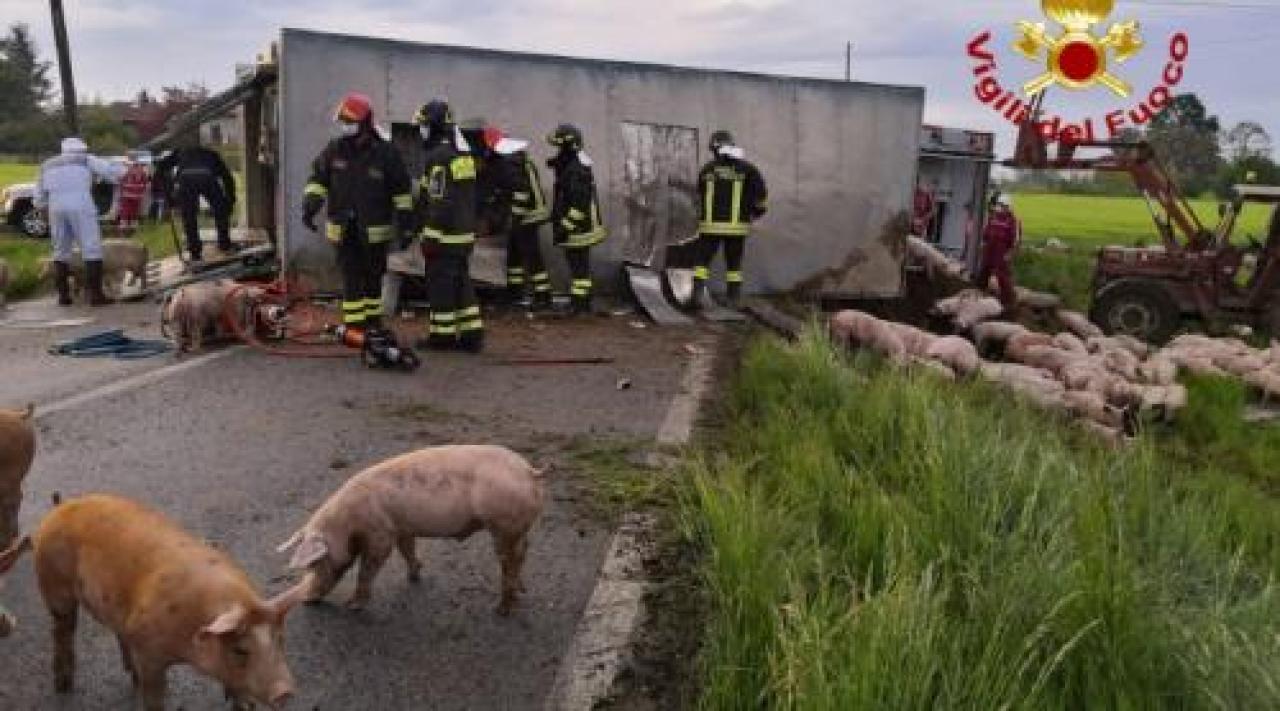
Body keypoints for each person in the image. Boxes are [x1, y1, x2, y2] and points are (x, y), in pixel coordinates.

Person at [303, 92, 415, 336]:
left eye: (350, 121)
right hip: (343, 229)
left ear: (365, 122)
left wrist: (407, 225)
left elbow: (402, 192)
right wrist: (310, 205)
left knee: (373, 277)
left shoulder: (386, 154)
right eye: (343, 121)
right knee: (351, 276)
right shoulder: (335, 149)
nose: (345, 126)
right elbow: (318, 179)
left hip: (374, 230)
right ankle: (355, 326)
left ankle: (372, 322)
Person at [415, 98, 485, 352]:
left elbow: (440, 200)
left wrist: (430, 235)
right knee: (461, 284)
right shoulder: (461, 153)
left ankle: (442, 338)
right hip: (463, 236)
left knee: (440, 287)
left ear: (433, 125)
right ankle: (471, 334)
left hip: (444, 237)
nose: (421, 130)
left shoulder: (440, 156)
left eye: (423, 124)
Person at [34, 137, 124, 306]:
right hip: (81, 204)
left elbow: (38, 194)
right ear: (82, 149)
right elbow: (115, 174)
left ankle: (63, 296)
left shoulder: (47, 164)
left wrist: (43, 209)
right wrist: (124, 167)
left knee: (60, 250)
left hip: (56, 207)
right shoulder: (86, 159)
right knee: (91, 248)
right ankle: (96, 296)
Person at [693, 130, 767, 307]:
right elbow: (760, 196)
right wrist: (756, 214)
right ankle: (733, 298)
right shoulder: (748, 170)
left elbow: (698, 195)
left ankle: (696, 295)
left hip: (709, 227)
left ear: (715, 148)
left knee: (702, 262)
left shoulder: (707, 169)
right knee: (734, 264)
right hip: (736, 229)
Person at [547, 123, 607, 314]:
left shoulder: (576, 171)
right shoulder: (574, 165)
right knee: (580, 267)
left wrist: (565, 226)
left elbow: (578, 204)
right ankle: (583, 301)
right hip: (579, 226)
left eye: (559, 147)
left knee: (578, 268)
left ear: (568, 146)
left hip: (579, 228)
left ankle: (579, 304)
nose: (558, 151)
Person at [156, 138, 237, 267]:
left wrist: (167, 192)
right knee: (220, 210)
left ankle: (195, 254)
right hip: (207, 177)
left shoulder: (181, 152)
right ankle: (225, 245)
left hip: (186, 179)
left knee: (189, 217)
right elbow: (227, 178)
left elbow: (161, 166)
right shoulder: (213, 155)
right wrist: (230, 200)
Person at [498, 131, 552, 309]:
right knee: (515, 255)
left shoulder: (512, 162)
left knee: (531, 256)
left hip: (527, 217)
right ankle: (515, 291)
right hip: (529, 215)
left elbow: (521, 192)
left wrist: (516, 218)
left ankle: (543, 296)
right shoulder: (522, 160)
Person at [976, 193, 1022, 307]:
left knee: (1002, 275)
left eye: (1003, 205)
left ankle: (1008, 300)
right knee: (984, 271)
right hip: (989, 249)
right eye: (1000, 205)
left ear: (1008, 207)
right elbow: (986, 232)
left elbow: (1015, 240)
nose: (1001, 207)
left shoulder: (1013, 220)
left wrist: (1010, 253)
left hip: (1002, 251)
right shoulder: (993, 217)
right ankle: (978, 292)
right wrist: (983, 244)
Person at [116, 154, 150, 238]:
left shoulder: (127, 172)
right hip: (136, 197)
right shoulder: (142, 173)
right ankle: (131, 233)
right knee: (132, 214)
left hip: (127, 197)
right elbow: (145, 184)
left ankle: (124, 234)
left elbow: (121, 182)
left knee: (126, 214)